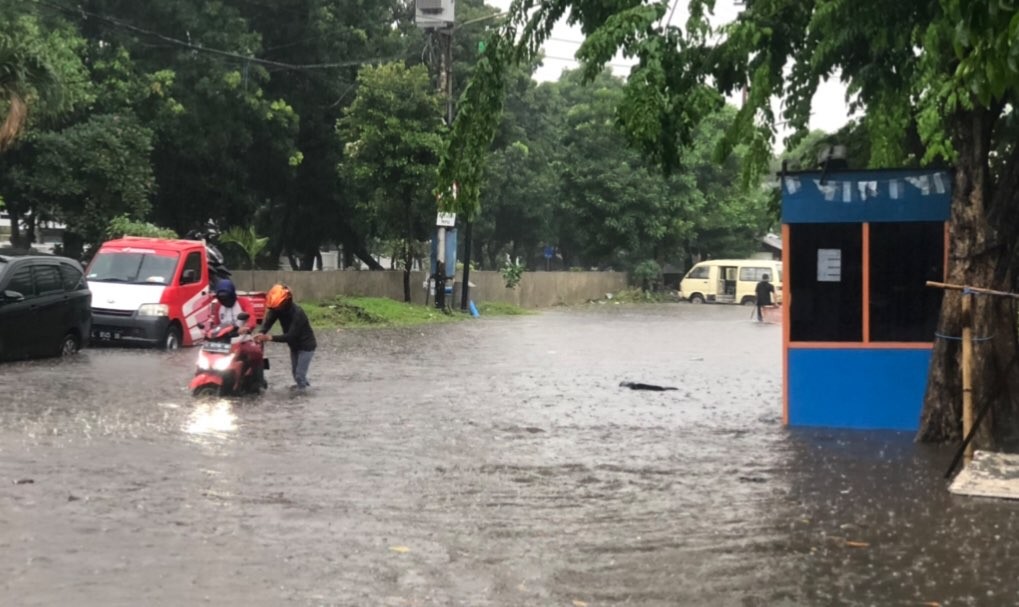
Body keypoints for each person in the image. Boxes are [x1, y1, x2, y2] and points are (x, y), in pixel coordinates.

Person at [255, 284, 317, 390]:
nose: (277, 309)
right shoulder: (277, 310)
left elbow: (290, 336)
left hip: (306, 346)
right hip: (294, 346)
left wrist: (270, 338)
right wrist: (261, 332)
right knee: (295, 373)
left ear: (286, 302)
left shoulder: (298, 313)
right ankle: (304, 389)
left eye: (278, 307)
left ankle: (304, 397)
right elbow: (268, 322)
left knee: (299, 375)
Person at [210, 278, 264, 389]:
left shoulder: (243, 302)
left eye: (226, 297)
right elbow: (215, 324)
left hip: (242, 339)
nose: (224, 300)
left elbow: (252, 318)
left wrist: (247, 327)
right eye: (222, 297)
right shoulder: (218, 307)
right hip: (224, 342)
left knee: (256, 352)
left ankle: (258, 381)